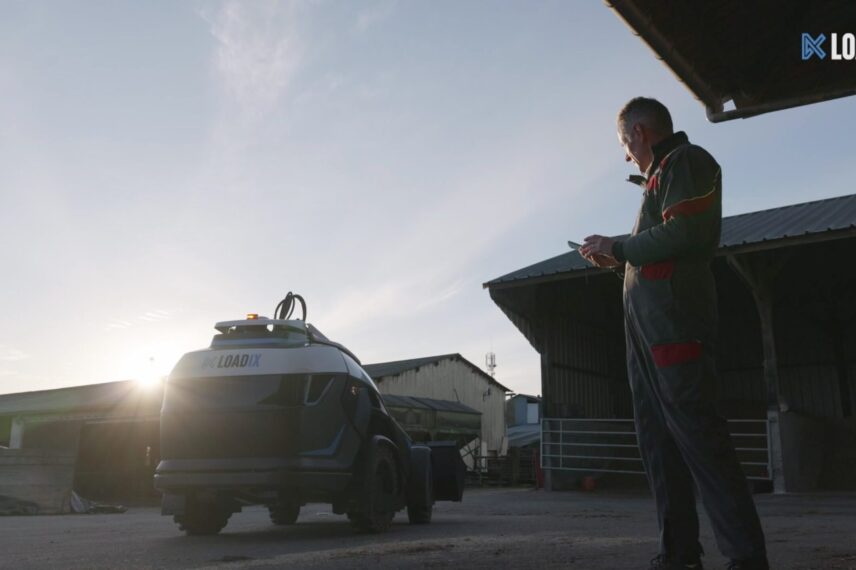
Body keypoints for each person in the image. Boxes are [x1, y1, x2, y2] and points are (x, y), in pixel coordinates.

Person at [579, 97, 769, 570]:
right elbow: (656, 251)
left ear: (641, 132)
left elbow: (685, 232)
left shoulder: (688, 161)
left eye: (626, 143)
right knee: (658, 447)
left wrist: (619, 246)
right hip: (646, 338)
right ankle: (679, 553)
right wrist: (617, 259)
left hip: (675, 329)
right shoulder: (656, 182)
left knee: (701, 440)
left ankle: (747, 558)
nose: (626, 155)